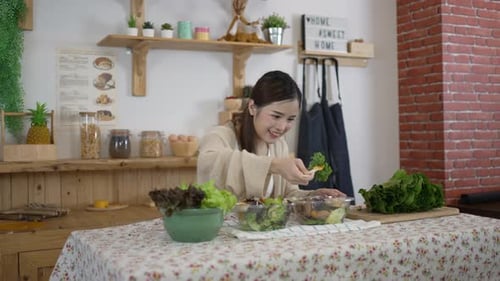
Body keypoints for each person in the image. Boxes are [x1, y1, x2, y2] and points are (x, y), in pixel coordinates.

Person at [197, 70, 345, 200]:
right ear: (253, 108)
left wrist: (312, 196)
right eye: (275, 116)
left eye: (290, 119)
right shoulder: (219, 136)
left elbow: (287, 195)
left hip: (264, 230)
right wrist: (273, 165)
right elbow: (209, 164)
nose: (282, 127)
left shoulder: (279, 145)